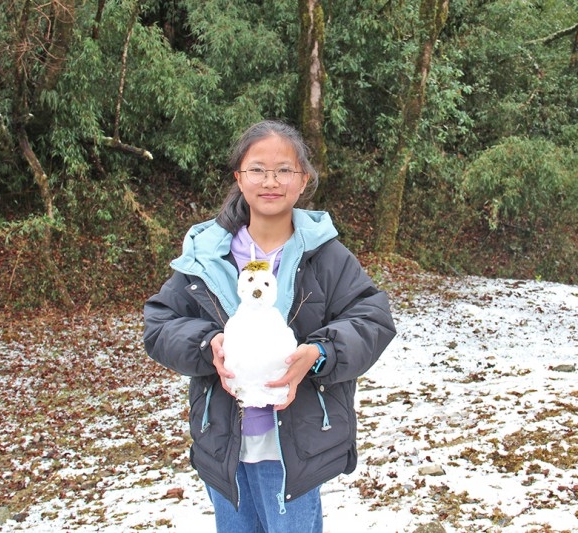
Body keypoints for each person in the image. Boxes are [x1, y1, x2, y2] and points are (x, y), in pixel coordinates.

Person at [143, 119, 397, 532]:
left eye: (284, 170)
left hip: (295, 448)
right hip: (224, 442)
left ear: (303, 180)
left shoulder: (325, 255)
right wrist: (208, 345)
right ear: (239, 178)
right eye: (258, 169)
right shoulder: (207, 256)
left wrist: (320, 354)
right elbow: (159, 323)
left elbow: (372, 317)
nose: (271, 181)